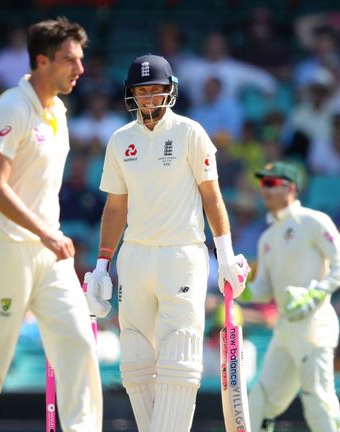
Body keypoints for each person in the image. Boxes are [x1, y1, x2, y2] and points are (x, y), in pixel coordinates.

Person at [84, 54, 248, 432]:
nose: (149, 99)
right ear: (131, 95)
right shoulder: (120, 140)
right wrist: (101, 266)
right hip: (136, 256)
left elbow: (212, 196)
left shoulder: (191, 133)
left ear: (170, 91)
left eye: (156, 90)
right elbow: (115, 207)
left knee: (179, 360)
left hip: (182, 254)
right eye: (142, 91)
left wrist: (224, 253)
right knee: (136, 363)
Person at [0, 18, 102, 432]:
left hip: (49, 255)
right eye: (69, 60)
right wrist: (45, 232)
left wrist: (47, 236)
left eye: (81, 59)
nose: (80, 69)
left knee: (79, 343)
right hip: (7, 252)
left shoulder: (58, 109)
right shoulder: (10, 107)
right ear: (41, 61)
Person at [245, 161, 340, 432]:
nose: (265, 190)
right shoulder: (267, 237)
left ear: (290, 187)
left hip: (315, 324)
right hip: (285, 328)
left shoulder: (313, 221)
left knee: (318, 399)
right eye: (262, 184)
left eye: (271, 183)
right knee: (260, 401)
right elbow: (263, 289)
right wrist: (238, 289)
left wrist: (316, 293)